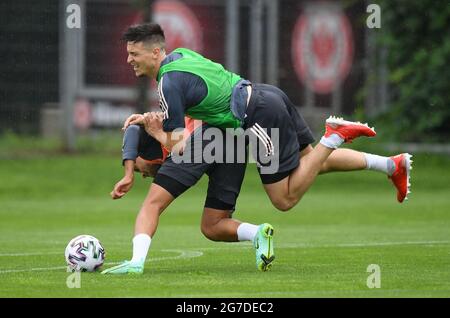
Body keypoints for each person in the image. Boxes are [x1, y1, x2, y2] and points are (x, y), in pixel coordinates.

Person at [121, 23, 412, 211]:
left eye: (134, 53)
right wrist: (157, 119)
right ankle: (390, 164)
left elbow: (180, 147)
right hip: (267, 95)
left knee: (283, 199)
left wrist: (156, 131)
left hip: (257, 116)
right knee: (310, 164)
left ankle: (334, 135)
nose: (129, 59)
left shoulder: (167, 82)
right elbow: (197, 100)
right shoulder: (182, 56)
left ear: (156, 52)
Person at [102, 116, 275, 274]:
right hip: (233, 143)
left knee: (151, 205)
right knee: (212, 225)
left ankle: (136, 262)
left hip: (206, 135)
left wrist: (128, 173)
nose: (144, 175)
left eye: (140, 170)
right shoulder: (163, 132)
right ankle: (257, 233)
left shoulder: (148, 133)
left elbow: (131, 130)